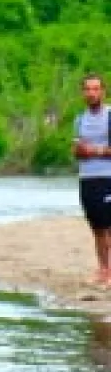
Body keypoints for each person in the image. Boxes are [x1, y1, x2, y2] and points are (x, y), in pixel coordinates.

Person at [74, 74, 111, 286]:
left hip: (108, 177)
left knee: (108, 226)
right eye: (88, 89)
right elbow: (77, 151)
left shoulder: (110, 116)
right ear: (83, 93)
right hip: (87, 178)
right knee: (97, 227)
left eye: (96, 89)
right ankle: (103, 270)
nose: (91, 93)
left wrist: (94, 150)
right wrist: (81, 151)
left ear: (103, 91)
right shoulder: (80, 119)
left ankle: (108, 272)